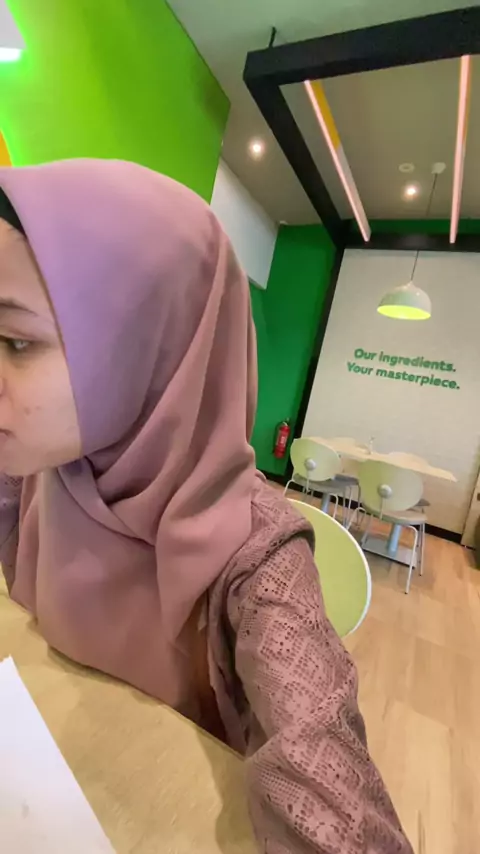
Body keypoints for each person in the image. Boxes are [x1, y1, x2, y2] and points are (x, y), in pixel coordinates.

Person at [0, 159, 412, 853]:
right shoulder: (44, 470)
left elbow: (336, 817)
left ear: (143, 350)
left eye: (16, 342)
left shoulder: (258, 556)